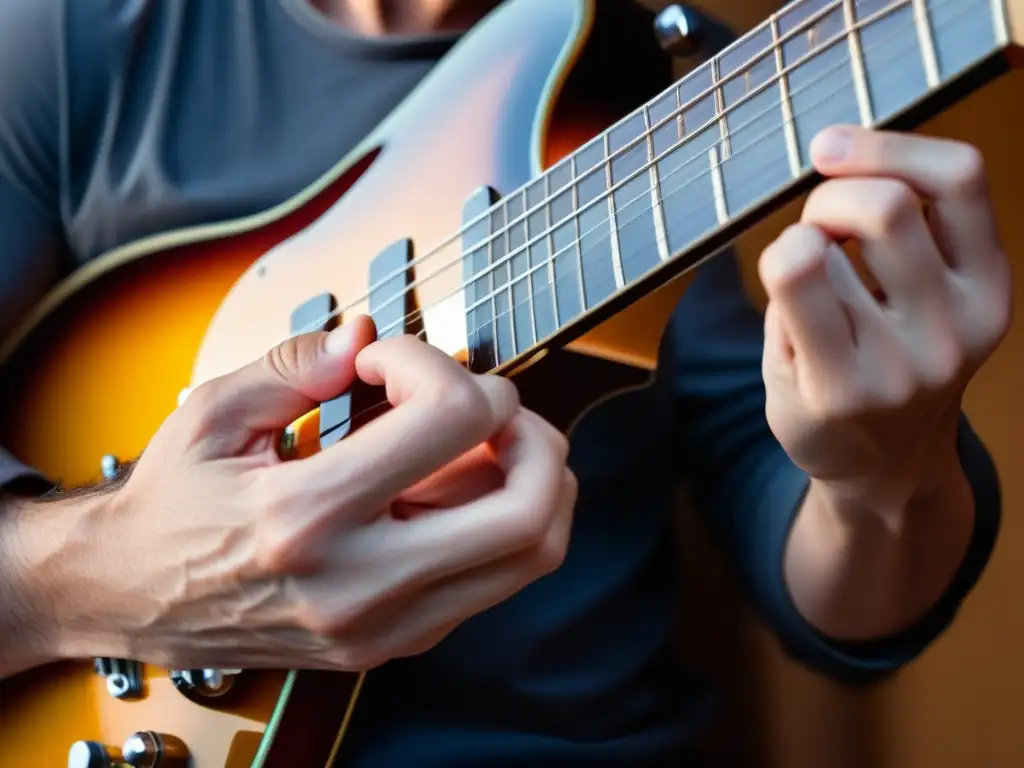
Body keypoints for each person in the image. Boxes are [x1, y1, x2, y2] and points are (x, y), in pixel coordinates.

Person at [0, 0, 1009, 765]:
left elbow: (817, 565)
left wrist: (889, 475)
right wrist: (104, 576)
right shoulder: (77, 33)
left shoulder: (648, 72)